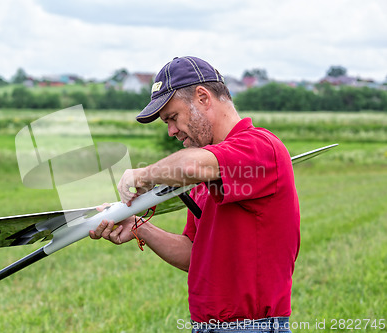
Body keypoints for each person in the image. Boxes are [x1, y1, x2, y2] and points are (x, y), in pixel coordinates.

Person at [89, 56, 300, 333]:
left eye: (173, 118)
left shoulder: (259, 147)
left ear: (202, 97)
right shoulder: (207, 173)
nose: (171, 131)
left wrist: (143, 174)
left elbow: (189, 164)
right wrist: (140, 227)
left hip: (253, 326)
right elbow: (194, 254)